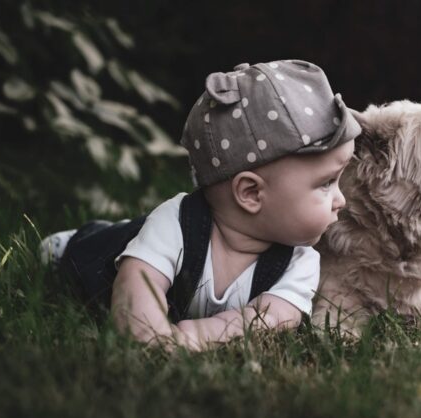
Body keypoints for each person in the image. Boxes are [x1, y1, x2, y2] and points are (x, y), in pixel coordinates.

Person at [40, 59, 362, 351]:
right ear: (251, 193)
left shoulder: (300, 263)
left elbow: (271, 318)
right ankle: (72, 241)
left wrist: (196, 335)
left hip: (171, 281)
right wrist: (147, 335)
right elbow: (138, 283)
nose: (341, 199)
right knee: (103, 248)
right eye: (325, 184)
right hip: (104, 258)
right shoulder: (177, 223)